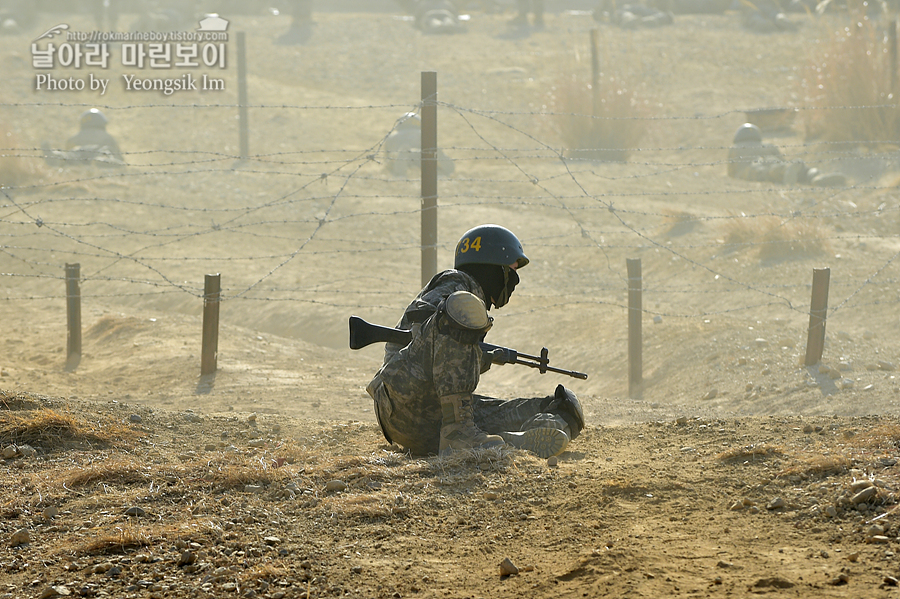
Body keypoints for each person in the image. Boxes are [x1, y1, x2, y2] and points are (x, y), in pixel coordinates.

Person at [365, 224, 585, 459]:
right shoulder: (457, 286)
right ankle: (460, 436)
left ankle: (517, 437)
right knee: (462, 307)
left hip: (431, 418)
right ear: (491, 267)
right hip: (404, 407)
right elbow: (427, 333)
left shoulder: (470, 300)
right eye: (510, 270)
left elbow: (443, 360)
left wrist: (481, 356)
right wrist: (469, 344)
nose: (514, 280)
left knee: (564, 406)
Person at [727, 122, 845, 187]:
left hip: (753, 166)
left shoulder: (735, 148)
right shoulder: (768, 145)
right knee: (789, 167)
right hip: (772, 160)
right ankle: (814, 175)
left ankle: (784, 172)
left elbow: (731, 172)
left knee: (766, 173)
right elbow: (781, 159)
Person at [43, 108, 125, 167]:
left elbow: (68, 150)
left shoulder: (73, 138)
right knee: (105, 155)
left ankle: (57, 156)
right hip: (98, 152)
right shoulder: (107, 137)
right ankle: (102, 161)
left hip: (79, 153)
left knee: (70, 156)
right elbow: (118, 155)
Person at [383, 112, 455, 178]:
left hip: (402, 160)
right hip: (422, 159)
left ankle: (400, 170)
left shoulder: (392, 136)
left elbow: (387, 156)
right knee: (431, 156)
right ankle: (442, 163)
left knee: (398, 159)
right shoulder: (424, 134)